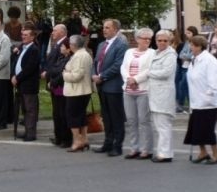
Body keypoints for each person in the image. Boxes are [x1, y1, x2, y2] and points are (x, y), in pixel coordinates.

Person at [184, 35, 217, 164]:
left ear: (199, 46)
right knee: (196, 129)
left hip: (209, 103)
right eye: (190, 44)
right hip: (197, 102)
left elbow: (216, 81)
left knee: (207, 130)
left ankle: (216, 154)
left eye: (192, 45)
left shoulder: (209, 60)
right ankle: (203, 152)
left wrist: (208, 95)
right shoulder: (194, 60)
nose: (190, 47)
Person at [92, 18, 128, 156]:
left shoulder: (121, 45)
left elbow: (118, 65)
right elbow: (95, 62)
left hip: (113, 86)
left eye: (107, 27)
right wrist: (94, 74)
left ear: (115, 29)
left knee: (116, 117)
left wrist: (102, 76)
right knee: (106, 116)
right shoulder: (102, 45)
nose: (104, 30)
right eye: (104, 27)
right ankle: (107, 142)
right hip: (102, 86)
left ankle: (117, 145)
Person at [120, 27, 155, 159]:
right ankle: (134, 148)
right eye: (144, 38)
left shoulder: (152, 53)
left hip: (143, 90)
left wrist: (135, 79)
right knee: (131, 120)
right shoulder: (129, 52)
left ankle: (146, 149)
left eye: (149, 39)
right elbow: (123, 67)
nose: (147, 41)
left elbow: (149, 70)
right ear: (137, 39)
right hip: (128, 90)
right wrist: (128, 79)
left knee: (144, 120)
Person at [146, 30, 177, 163]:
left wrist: (149, 73)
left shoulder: (171, 55)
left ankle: (165, 153)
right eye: (160, 40)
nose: (162, 43)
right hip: (154, 93)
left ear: (170, 42)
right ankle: (161, 151)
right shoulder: (155, 53)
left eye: (165, 41)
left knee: (163, 125)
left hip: (163, 94)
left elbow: (166, 72)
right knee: (158, 125)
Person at [62, 35, 93, 152]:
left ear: (73, 45)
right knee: (81, 115)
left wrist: (65, 74)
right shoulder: (85, 54)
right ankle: (84, 138)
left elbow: (77, 75)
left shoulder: (79, 56)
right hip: (83, 90)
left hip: (76, 91)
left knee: (72, 116)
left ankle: (77, 140)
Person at [43, 24, 71, 148]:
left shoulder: (66, 43)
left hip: (60, 83)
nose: (52, 32)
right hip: (54, 82)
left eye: (55, 30)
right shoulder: (56, 44)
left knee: (62, 112)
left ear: (62, 32)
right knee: (57, 112)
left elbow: (61, 64)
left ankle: (65, 138)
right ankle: (58, 136)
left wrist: (49, 74)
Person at [11, 26, 41, 142]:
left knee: (30, 109)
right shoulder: (22, 48)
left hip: (29, 84)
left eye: (26, 35)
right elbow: (17, 63)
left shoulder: (34, 49)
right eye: (22, 35)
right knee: (24, 109)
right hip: (20, 83)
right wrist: (14, 75)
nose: (23, 37)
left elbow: (30, 68)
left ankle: (31, 133)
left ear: (32, 37)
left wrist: (17, 77)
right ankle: (27, 131)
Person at [175, 26, 196, 113]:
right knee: (183, 86)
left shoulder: (195, 43)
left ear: (193, 33)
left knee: (183, 85)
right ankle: (182, 105)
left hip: (190, 67)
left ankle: (187, 105)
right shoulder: (187, 43)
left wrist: (186, 56)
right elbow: (180, 55)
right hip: (184, 66)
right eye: (186, 33)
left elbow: (192, 55)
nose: (186, 35)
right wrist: (186, 56)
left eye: (189, 33)